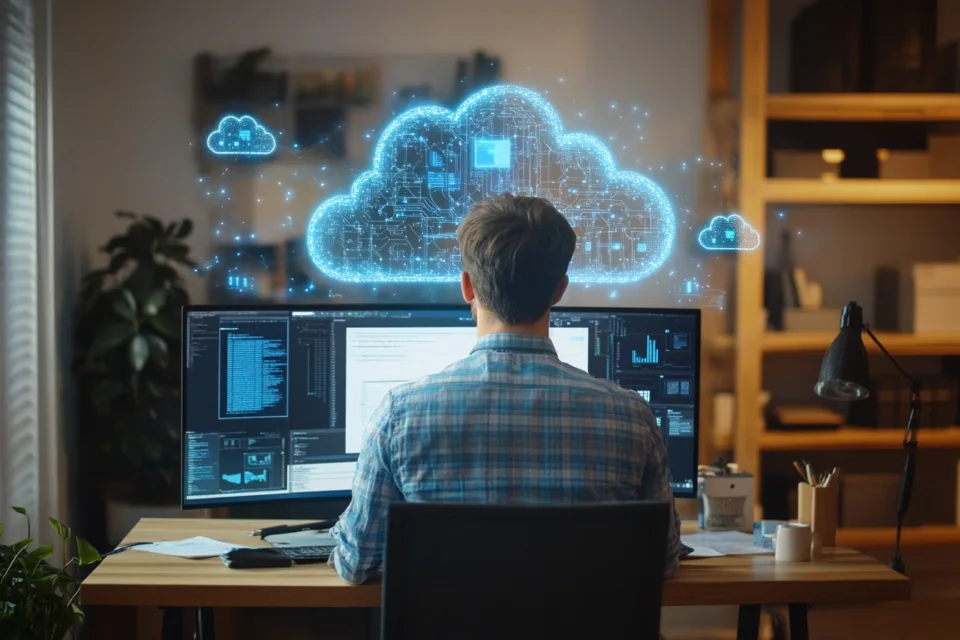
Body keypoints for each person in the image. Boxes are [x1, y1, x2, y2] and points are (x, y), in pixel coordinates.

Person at [328, 193, 682, 584]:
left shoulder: (400, 413)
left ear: (467, 286)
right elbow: (663, 562)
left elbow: (356, 563)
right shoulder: (631, 416)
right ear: (559, 290)